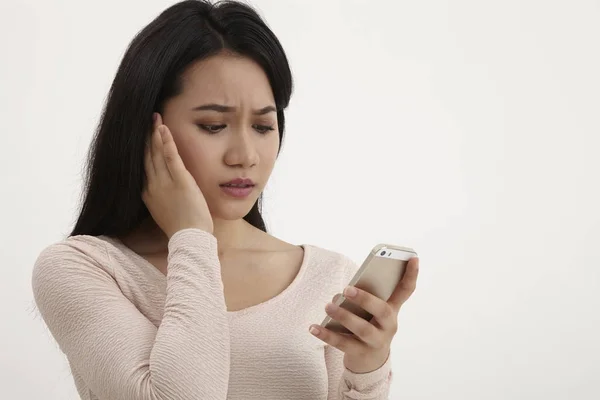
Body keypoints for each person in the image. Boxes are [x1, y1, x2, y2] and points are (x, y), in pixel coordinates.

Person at [31, 1, 419, 399]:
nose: (245, 155)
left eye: (263, 126)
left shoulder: (328, 277)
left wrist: (368, 368)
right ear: (146, 130)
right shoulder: (83, 269)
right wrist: (191, 236)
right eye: (213, 126)